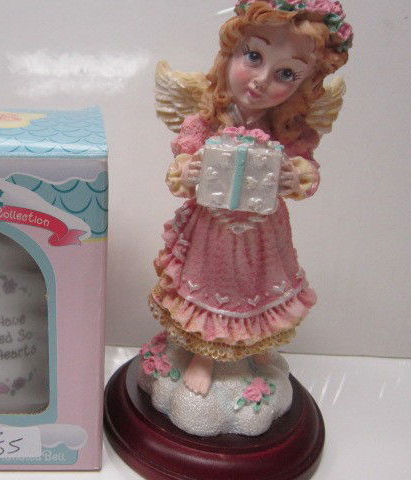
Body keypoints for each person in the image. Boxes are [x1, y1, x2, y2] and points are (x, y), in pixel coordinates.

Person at [149, 0, 352, 394]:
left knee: (257, 285)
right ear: (230, 52)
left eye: (285, 73)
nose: (260, 80)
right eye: (254, 56)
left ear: (304, 84)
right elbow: (180, 169)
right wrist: (190, 172)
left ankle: (254, 346)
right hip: (212, 228)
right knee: (211, 284)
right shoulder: (206, 120)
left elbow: (308, 172)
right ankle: (204, 355)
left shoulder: (288, 129)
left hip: (263, 229)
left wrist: (293, 176)